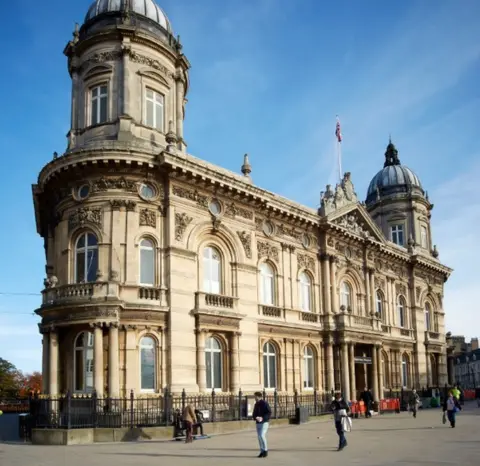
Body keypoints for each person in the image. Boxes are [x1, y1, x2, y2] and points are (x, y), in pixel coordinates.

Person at [252, 391, 271, 458]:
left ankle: (265, 450)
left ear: (258, 396)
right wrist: (255, 417)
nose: (254, 398)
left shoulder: (264, 403)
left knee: (262, 435)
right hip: (258, 423)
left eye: (255, 396)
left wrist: (262, 418)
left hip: (264, 422)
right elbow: (254, 414)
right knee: (259, 437)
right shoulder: (256, 404)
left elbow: (269, 412)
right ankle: (262, 451)